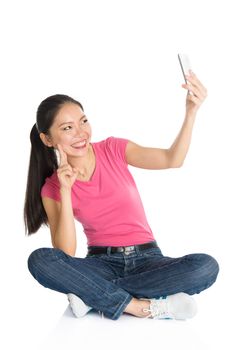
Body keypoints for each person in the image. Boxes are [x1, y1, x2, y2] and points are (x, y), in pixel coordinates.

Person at [24, 70, 219, 321]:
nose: (81, 133)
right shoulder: (52, 187)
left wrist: (191, 112)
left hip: (149, 261)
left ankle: (93, 296)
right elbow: (65, 252)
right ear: (47, 139)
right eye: (67, 128)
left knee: (205, 266)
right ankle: (140, 307)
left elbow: (173, 159)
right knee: (40, 260)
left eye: (83, 121)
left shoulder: (113, 149)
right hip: (101, 264)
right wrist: (65, 189)